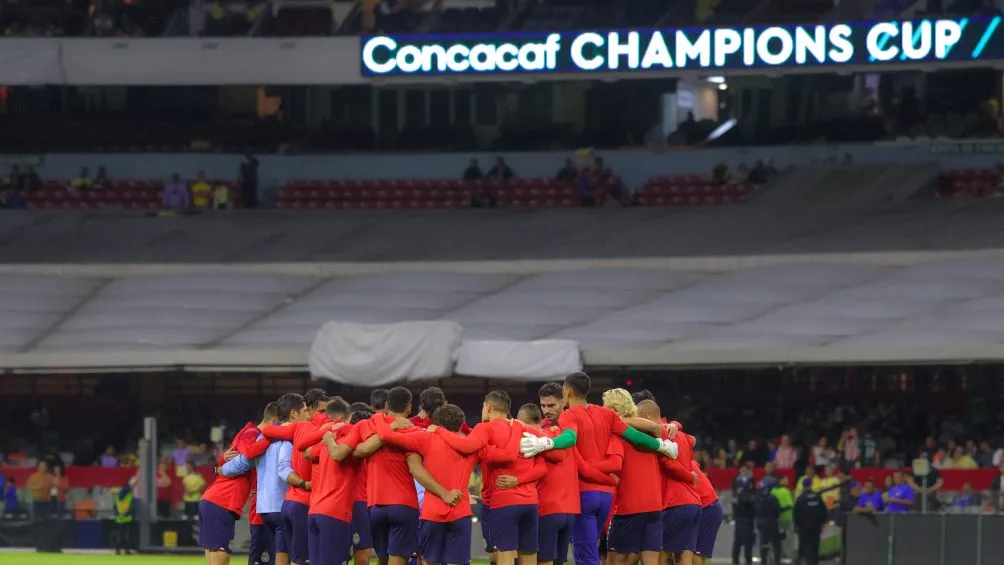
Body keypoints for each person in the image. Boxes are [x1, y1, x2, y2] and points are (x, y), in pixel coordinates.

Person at [519, 372, 678, 565]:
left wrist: (546, 443)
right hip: (606, 497)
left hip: (583, 495)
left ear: (566, 391)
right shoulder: (606, 414)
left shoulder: (569, 415)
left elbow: (570, 438)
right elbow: (635, 436)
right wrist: (661, 446)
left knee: (586, 556)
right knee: (591, 551)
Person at [375, 403, 501, 565]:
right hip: (460, 511)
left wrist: (378, 417)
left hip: (432, 512)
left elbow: (385, 435)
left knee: (429, 561)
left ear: (436, 422)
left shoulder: (425, 438)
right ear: (460, 423)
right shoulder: (472, 445)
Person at [431, 390, 545, 565]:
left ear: (489, 406)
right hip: (530, 502)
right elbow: (544, 464)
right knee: (528, 554)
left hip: (503, 501)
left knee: (503, 554)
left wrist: (439, 430)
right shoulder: (525, 428)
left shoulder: (485, 428)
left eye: (483, 406)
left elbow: (465, 446)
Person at [222, 393, 310, 565]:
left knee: (278, 552)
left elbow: (241, 463)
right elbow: (283, 470)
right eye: (305, 411)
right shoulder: (288, 441)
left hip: (263, 509)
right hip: (280, 506)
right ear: (294, 413)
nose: (308, 415)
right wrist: (304, 483)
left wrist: (220, 469)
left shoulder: (263, 438)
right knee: (295, 557)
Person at [201, 404, 279, 565]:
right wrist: (272, 435)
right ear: (274, 421)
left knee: (214, 557)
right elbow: (250, 453)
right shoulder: (251, 433)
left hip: (216, 501)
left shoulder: (249, 434)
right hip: (221, 501)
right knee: (220, 557)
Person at [519, 402, 591, 565]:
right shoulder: (563, 436)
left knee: (542, 560)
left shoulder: (534, 439)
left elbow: (554, 458)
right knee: (558, 561)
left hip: (548, 507)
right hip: (570, 509)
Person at [603, 390, 662, 565]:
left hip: (630, 505)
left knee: (615, 560)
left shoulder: (617, 434)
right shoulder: (651, 431)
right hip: (654, 505)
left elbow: (614, 466)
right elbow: (661, 427)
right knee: (650, 559)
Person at [691, 461, 723, 565]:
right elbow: (696, 464)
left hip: (708, 508)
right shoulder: (689, 461)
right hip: (709, 507)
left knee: (696, 552)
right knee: (696, 552)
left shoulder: (678, 465)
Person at [793, 479, 827, 565]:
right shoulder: (817, 497)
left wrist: (796, 526)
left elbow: (796, 513)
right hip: (816, 526)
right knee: (815, 546)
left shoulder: (800, 499)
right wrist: (823, 523)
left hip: (804, 527)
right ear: (811, 485)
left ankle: (810, 563)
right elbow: (823, 511)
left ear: (803, 486)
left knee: (808, 547)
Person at [755, 478, 783, 565]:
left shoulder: (758, 498)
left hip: (761, 524)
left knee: (763, 544)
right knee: (776, 544)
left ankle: (763, 561)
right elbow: (778, 510)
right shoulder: (773, 499)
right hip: (772, 523)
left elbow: (755, 510)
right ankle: (777, 561)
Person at [731, 480, 756, 565]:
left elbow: (734, 507)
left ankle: (735, 560)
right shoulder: (750, 496)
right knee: (748, 543)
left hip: (739, 521)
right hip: (748, 522)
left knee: (737, 542)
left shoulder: (738, 496)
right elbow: (753, 507)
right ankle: (748, 560)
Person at [113, 483, 137, 555]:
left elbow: (115, 506)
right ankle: (127, 550)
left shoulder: (117, 496)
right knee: (127, 535)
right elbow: (132, 507)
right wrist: (126, 514)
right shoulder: (130, 495)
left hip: (119, 518)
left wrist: (118, 514)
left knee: (119, 534)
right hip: (127, 518)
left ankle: (118, 551)